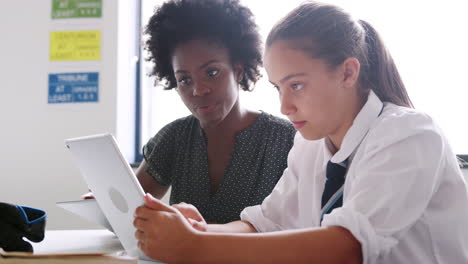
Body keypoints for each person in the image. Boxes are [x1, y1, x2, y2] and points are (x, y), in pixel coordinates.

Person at [132, 1, 468, 263]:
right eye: (278, 88)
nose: (285, 106)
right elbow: (263, 224)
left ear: (348, 72)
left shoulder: (409, 135)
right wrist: (203, 230)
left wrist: (196, 246)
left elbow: (346, 249)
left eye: (297, 85)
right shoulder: (311, 146)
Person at [133, 0, 295, 224]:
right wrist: (107, 203)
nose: (198, 90)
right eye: (185, 79)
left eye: (212, 72)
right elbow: (132, 208)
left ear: (237, 71)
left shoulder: (286, 140)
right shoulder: (175, 137)